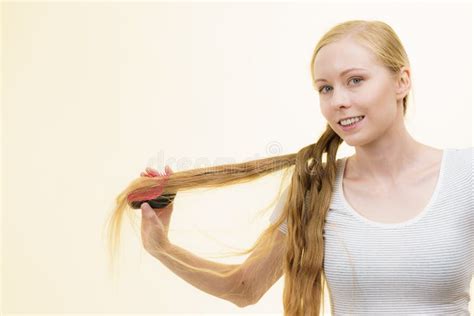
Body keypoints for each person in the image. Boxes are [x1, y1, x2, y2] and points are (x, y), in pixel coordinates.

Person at [107, 20, 473, 315]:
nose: (339, 101)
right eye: (325, 88)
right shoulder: (315, 190)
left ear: (401, 81)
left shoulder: (465, 176)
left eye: (355, 80)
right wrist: (161, 248)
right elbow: (244, 288)